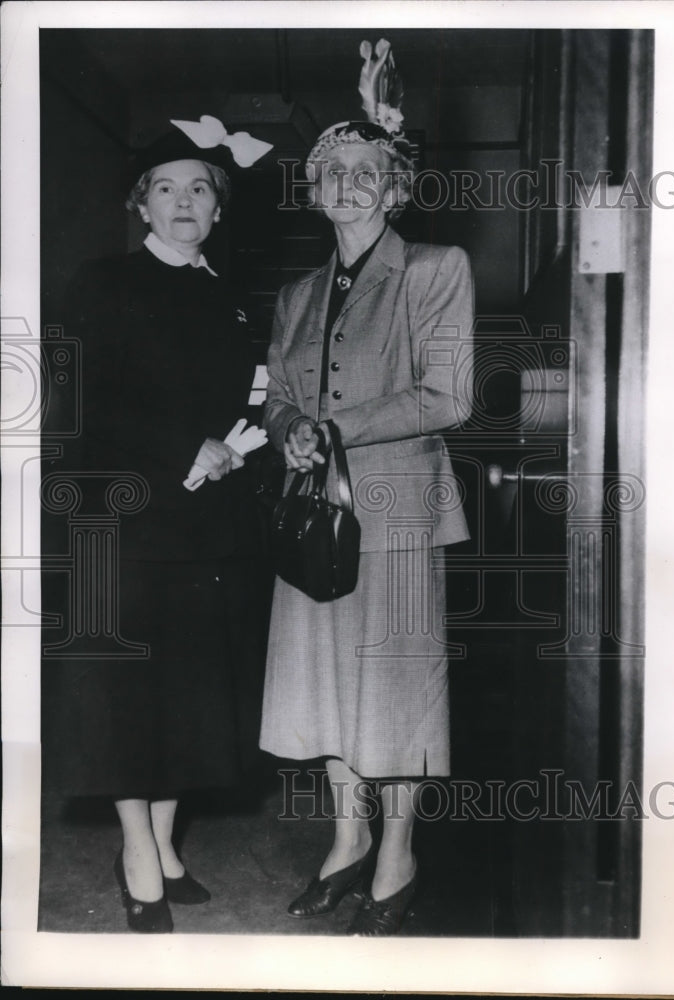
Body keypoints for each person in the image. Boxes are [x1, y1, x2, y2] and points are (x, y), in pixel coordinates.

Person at [259, 39, 474, 936]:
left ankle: (398, 856)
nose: (348, 182)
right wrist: (288, 429)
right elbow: (276, 398)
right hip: (314, 517)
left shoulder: (435, 269)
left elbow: (448, 395)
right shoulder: (297, 293)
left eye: (366, 171)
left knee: (393, 691)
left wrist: (334, 427)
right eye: (332, 170)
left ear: (393, 190)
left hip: (395, 510)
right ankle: (345, 843)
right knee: (324, 689)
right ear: (313, 188)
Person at [46, 119, 272, 933]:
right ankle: (136, 850)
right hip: (126, 517)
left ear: (218, 210)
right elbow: (81, 402)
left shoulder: (230, 299)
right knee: (128, 699)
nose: (184, 201)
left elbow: (247, 407)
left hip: (209, 523)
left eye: (201, 188)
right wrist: (187, 447)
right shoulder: (100, 282)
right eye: (166, 188)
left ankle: (168, 843)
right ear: (141, 206)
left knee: (193, 696)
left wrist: (241, 450)